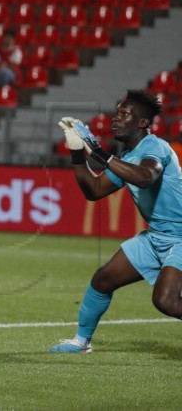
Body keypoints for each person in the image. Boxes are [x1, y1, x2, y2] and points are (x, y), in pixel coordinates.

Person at [52, 90, 182, 353]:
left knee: (166, 300)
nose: (115, 119)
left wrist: (101, 155)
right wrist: (78, 154)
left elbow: (146, 176)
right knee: (103, 279)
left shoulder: (155, 147)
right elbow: (95, 191)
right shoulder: (125, 158)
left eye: (124, 114)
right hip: (157, 236)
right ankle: (81, 342)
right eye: (116, 113)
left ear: (143, 123)